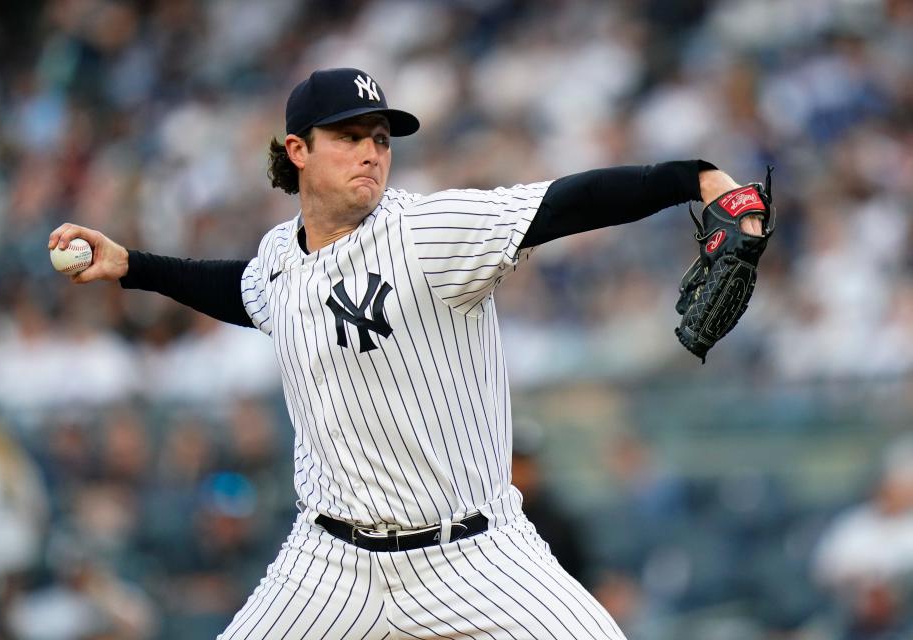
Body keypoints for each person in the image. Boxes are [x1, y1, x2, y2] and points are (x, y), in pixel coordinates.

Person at [48, 67, 764, 639]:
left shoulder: (427, 232)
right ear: (297, 151)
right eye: (348, 135)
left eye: (381, 139)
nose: (370, 151)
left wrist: (695, 180)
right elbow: (242, 292)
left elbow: (564, 204)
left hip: (477, 554)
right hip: (331, 564)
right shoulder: (279, 259)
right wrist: (131, 265)